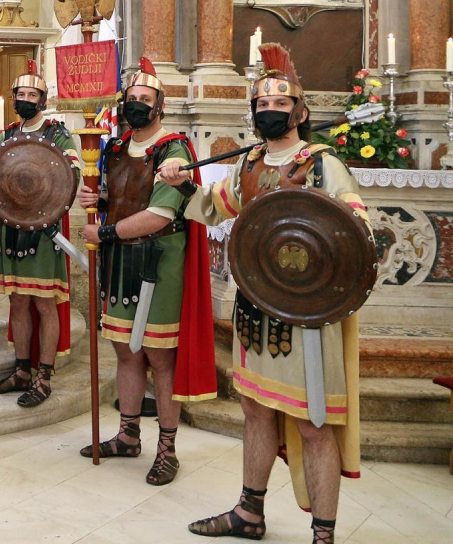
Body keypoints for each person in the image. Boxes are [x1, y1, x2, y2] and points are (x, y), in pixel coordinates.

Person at [160, 43, 365, 544]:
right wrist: (184, 183)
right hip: (257, 307)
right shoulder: (249, 161)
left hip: (308, 315)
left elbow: (356, 226)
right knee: (255, 410)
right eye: (262, 105)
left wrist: (315, 209)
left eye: (280, 105)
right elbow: (221, 204)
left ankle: (323, 534)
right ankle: (249, 513)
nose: (270, 111)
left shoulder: (321, 164)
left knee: (315, 422)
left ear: (301, 111)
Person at [77, 57, 216, 486]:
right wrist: (94, 200)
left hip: (158, 265)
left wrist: (104, 231)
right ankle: (128, 435)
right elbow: (118, 199)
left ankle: (168, 449)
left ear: (161, 106)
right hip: (121, 262)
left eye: (145, 99)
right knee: (125, 350)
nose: (137, 105)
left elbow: (158, 215)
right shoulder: (116, 148)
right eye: (131, 98)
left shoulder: (173, 150)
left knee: (160, 357)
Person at [0, 69, 79, 407]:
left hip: (43, 229)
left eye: (31, 96)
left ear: (42, 100)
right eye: (20, 94)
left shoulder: (58, 134)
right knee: (17, 300)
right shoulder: (5, 134)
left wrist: (47, 210)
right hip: (10, 227)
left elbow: (70, 176)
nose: (24, 100)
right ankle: (22, 370)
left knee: (43, 302)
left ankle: (43, 376)